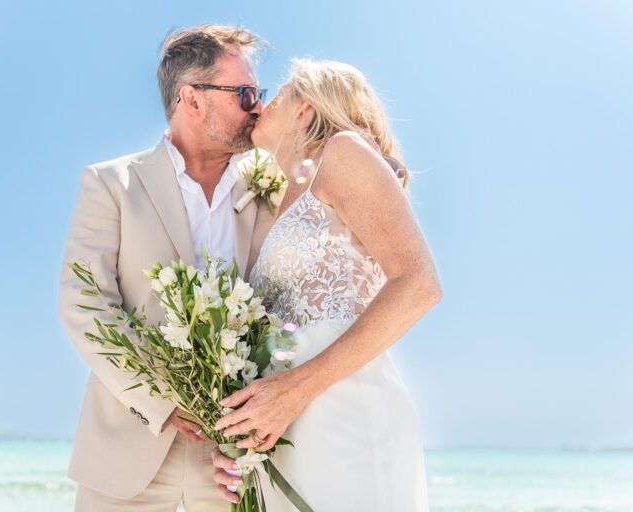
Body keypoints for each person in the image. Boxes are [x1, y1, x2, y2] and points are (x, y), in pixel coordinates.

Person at [210, 58, 443, 511]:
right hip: (286, 431)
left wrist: (296, 389)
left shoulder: (344, 153)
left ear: (305, 108)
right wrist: (239, 438)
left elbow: (419, 285)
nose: (259, 107)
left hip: (345, 414)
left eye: (277, 96)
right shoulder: (274, 201)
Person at [58, 24, 274, 511]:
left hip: (235, 463)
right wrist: (163, 398)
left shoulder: (270, 188)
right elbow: (83, 304)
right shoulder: (109, 184)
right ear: (191, 99)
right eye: (244, 93)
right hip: (126, 446)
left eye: (258, 93)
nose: (257, 106)